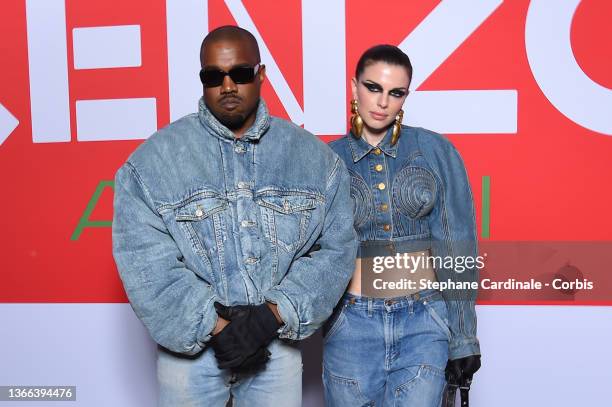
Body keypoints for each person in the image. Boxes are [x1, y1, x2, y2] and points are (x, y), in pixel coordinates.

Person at [112, 25, 356, 407]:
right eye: (214, 77)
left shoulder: (315, 160)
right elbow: (145, 261)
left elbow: (337, 248)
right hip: (189, 357)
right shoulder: (151, 164)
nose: (227, 86)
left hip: (275, 348)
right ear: (202, 80)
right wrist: (215, 326)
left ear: (261, 75)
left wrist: (272, 315)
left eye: (240, 73)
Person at [323, 44, 481, 406]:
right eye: (373, 87)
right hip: (352, 324)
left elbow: (456, 246)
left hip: (424, 320)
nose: (382, 102)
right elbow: (315, 254)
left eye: (396, 93)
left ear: (405, 96)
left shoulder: (435, 152)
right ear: (354, 88)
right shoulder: (326, 161)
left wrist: (463, 338)